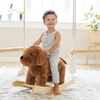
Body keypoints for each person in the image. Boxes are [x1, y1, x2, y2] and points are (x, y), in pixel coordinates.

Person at [33, 10, 61, 95]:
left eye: (53, 19)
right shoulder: (43, 33)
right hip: (44, 55)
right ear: (44, 22)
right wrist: (32, 47)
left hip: (53, 55)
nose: (51, 21)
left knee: (53, 67)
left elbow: (56, 44)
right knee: (36, 63)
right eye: (48, 19)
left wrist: (49, 51)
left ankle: (56, 85)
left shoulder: (57, 33)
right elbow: (37, 42)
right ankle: (36, 79)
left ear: (56, 22)